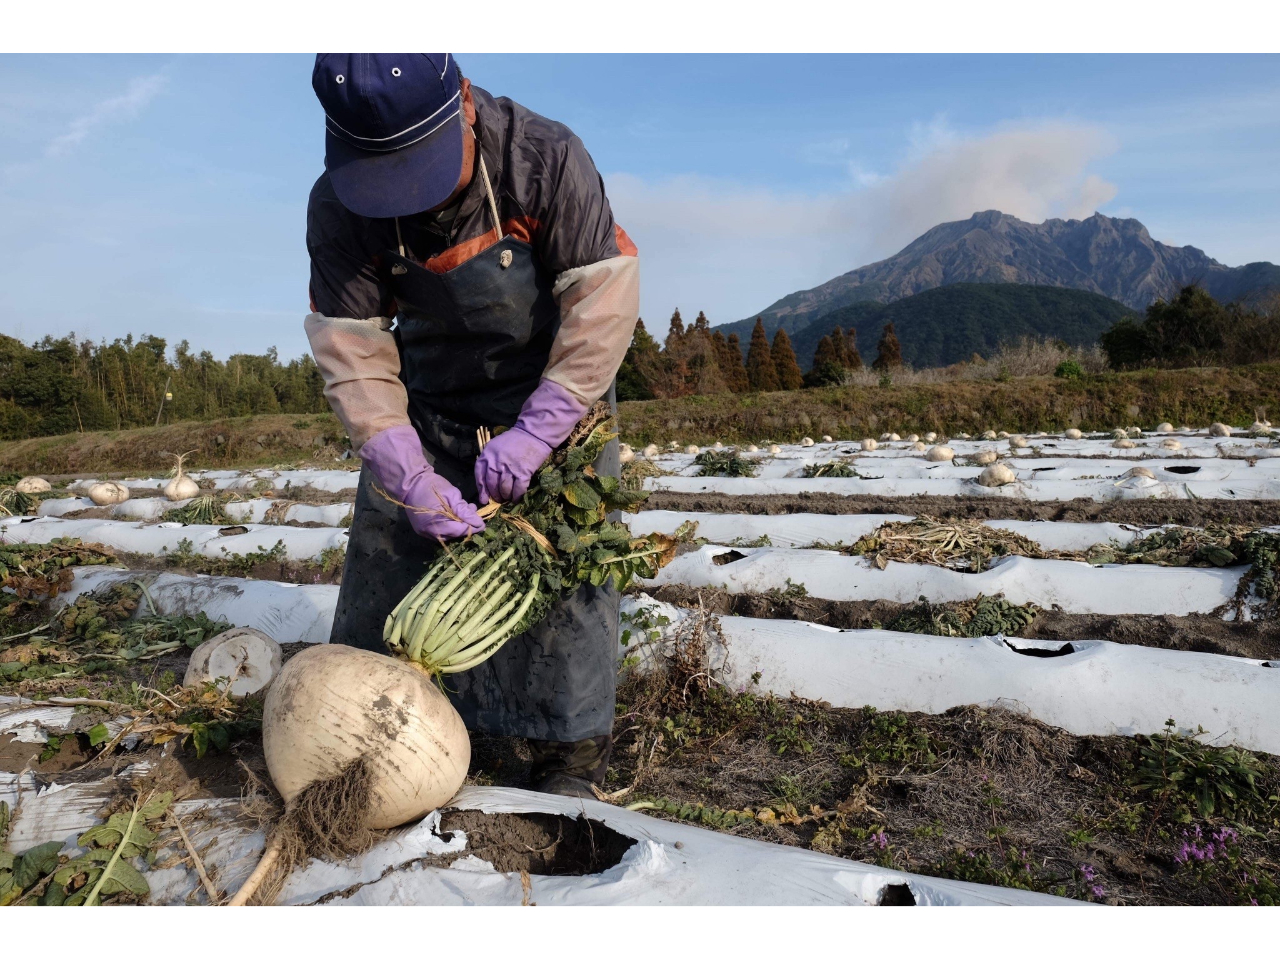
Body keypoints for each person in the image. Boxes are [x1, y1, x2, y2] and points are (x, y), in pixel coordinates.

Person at [304, 53, 639, 798]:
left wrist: (539, 431)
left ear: (461, 105)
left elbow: (602, 303)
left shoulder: (542, 158)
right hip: (428, 400)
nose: (407, 198)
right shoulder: (337, 209)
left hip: (556, 386)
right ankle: (381, 738)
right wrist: (406, 472)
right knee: (393, 564)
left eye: (419, 169)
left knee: (561, 573)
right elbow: (353, 351)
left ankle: (567, 753)